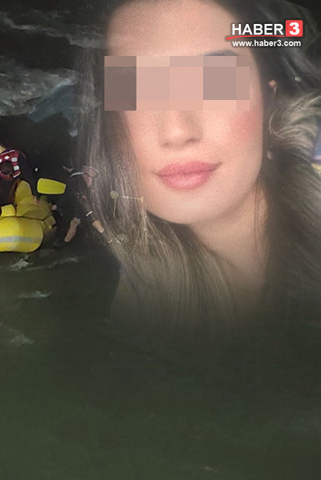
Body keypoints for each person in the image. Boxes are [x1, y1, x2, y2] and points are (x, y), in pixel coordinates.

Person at [76, 0, 321, 339]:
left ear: (269, 100)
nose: (177, 131)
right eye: (137, 88)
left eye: (215, 81)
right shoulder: (142, 302)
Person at [54, 165, 106, 244]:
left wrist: (57, 205)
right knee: (76, 222)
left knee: (90, 220)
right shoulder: (80, 173)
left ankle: (109, 239)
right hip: (84, 202)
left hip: (84, 203)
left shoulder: (74, 178)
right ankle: (64, 242)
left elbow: (68, 193)